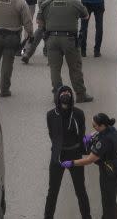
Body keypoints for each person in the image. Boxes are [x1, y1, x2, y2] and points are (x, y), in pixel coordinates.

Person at [62, 113, 117, 219]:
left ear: (102, 126)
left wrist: (72, 163)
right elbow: (96, 133)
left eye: (95, 125)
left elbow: (89, 160)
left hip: (110, 169)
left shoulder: (105, 140)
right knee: (109, 197)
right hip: (115, 165)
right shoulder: (111, 129)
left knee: (108, 199)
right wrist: (90, 136)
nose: (93, 127)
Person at [40, 0, 93, 102]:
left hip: (51, 39)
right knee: (75, 68)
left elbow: (39, 21)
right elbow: (86, 16)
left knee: (54, 68)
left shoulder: (46, 4)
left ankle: (58, 95)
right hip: (69, 40)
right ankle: (80, 94)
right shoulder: (74, 3)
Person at [44, 86, 91, 219]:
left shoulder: (79, 114)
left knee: (80, 190)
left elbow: (81, 133)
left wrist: (81, 149)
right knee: (52, 192)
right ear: (58, 96)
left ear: (72, 96)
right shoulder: (51, 115)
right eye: (63, 93)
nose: (66, 94)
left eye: (68, 92)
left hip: (75, 156)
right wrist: (58, 148)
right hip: (58, 157)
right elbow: (52, 134)